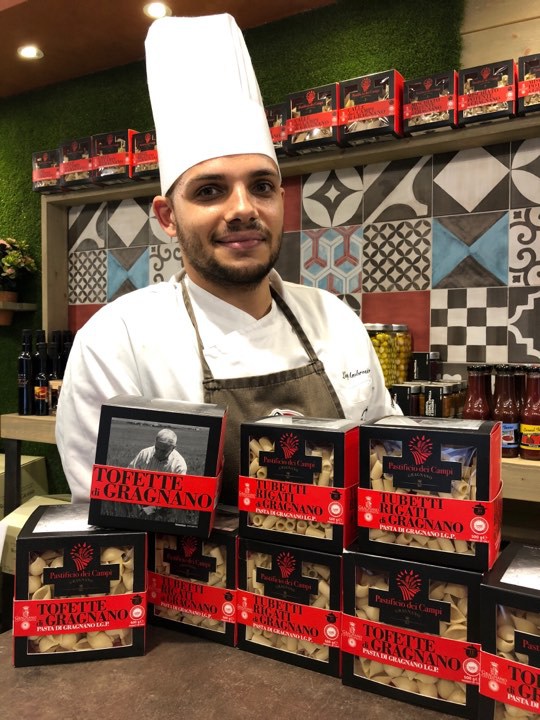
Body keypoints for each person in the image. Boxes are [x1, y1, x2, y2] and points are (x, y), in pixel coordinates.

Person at [56, 13, 400, 506]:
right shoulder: (117, 341)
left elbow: (385, 466)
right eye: (210, 191)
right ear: (167, 216)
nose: (243, 209)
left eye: (261, 186)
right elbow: (112, 516)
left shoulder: (337, 321)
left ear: (281, 200)